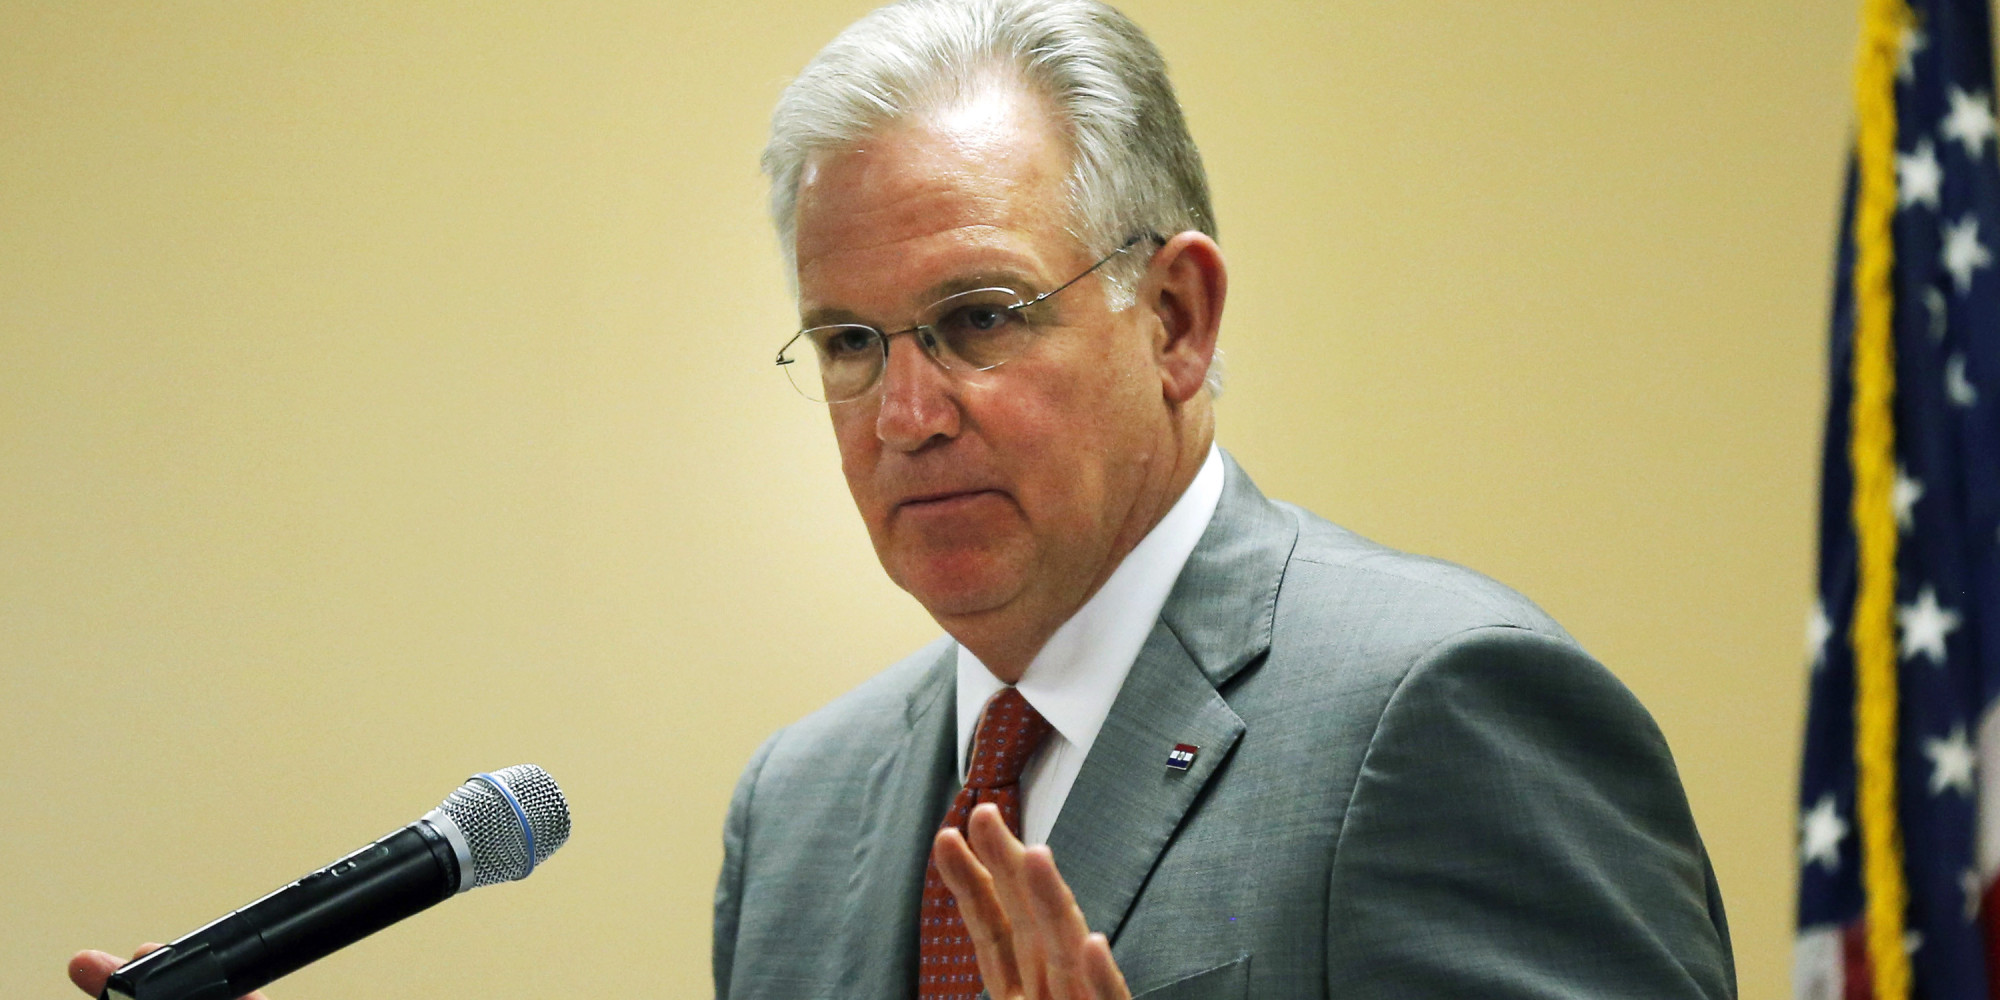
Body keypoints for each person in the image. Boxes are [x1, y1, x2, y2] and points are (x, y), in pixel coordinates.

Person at [71, 1, 1736, 997]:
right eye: (851, 343)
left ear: (1175, 318)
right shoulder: (802, 809)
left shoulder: (1437, 711)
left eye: (980, 317)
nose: (909, 412)